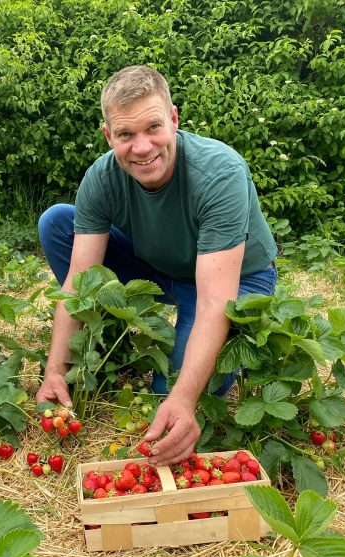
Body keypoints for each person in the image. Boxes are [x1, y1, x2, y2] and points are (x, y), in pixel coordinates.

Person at [36, 66, 277, 465]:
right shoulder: (102, 178)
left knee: (167, 399)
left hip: (235, 280)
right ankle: (101, 337)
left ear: (174, 119)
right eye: (126, 134)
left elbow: (216, 301)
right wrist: (55, 369)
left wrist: (184, 399)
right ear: (108, 135)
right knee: (58, 222)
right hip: (162, 266)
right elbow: (79, 281)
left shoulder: (219, 173)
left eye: (153, 127)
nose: (143, 147)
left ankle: (188, 362)